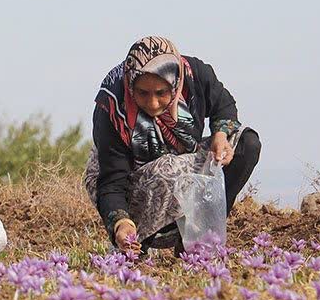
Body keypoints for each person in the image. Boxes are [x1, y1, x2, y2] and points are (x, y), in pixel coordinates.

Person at [84, 36, 261, 253]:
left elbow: (224, 106)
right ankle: (141, 240)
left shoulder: (195, 75)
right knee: (165, 172)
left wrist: (220, 134)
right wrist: (121, 223)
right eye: (142, 93)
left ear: (176, 83)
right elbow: (112, 181)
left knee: (247, 144)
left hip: (180, 159)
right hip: (132, 176)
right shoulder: (111, 108)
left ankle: (196, 236)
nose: (153, 103)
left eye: (161, 93)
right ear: (130, 84)